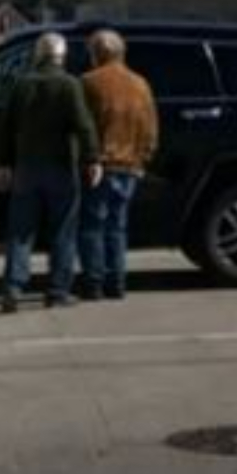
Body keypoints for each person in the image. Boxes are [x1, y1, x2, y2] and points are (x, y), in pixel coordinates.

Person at [0, 33, 101, 313]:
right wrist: (92, 158)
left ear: (38, 55)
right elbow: (83, 124)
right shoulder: (69, 85)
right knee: (63, 231)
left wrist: (4, 163)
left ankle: (13, 288)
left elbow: (5, 127)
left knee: (20, 232)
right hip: (61, 166)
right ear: (61, 56)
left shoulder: (21, 85)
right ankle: (57, 291)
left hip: (26, 167)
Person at [78, 30, 159, 300]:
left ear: (97, 53)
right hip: (129, 167)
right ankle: (118, 281)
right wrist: (142, 159)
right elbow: (150, 130)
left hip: (100, 164)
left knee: (93, 225)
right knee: (117, 226)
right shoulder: (141, 85)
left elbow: (82, 126)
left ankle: (94, 281)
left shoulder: (89, 83)